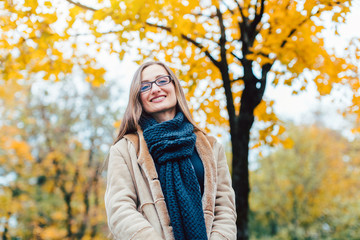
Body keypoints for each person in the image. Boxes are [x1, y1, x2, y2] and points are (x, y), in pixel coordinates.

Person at [104, 61, 236, 240]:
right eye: (145, 86)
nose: (155, 89)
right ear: (138, 97)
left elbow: (224, 207)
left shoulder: (212, 147)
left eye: (162, 81)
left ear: (175, 86)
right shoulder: (124, 150)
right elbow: (120, 209)